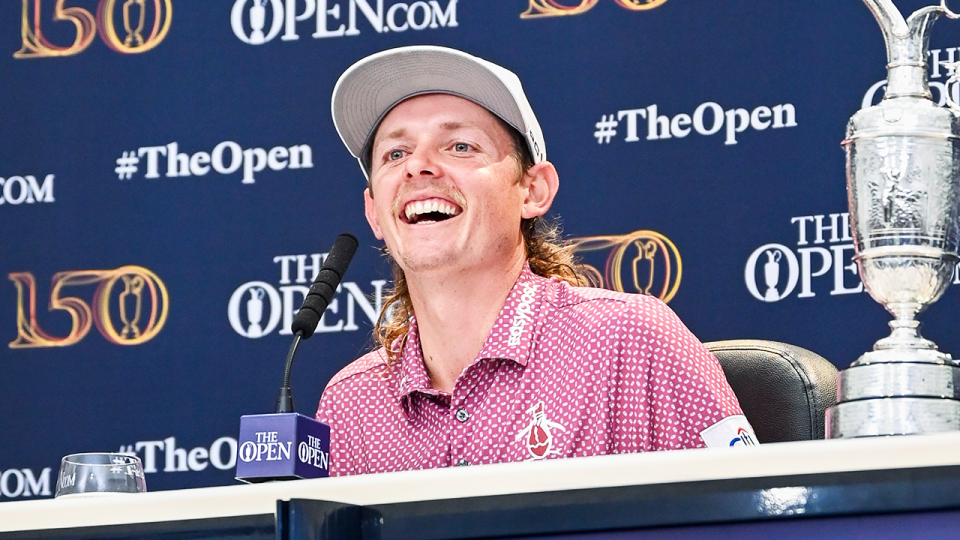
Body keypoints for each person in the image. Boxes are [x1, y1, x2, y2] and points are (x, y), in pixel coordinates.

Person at [316, 46, 754, 476]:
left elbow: (751, 514)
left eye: (460, 146)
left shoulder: (632, 341)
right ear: (374, 211)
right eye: (396, 154)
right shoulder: (349, 404)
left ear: (533, 190)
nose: (418, 167)